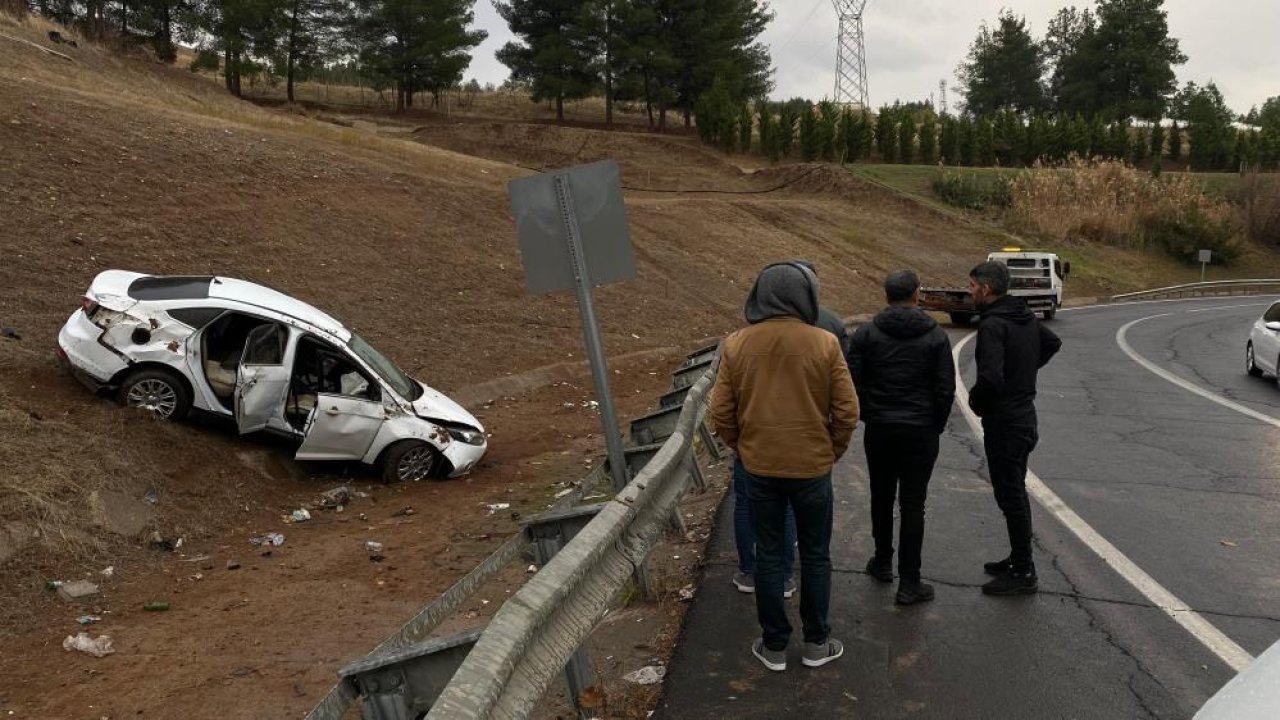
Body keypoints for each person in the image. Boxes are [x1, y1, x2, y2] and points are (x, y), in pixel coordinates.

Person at [711, 262, 859, 672]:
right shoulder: (825, 343)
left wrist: (741, 446)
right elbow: (847, 411)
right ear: (806, 296)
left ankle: (774, 645)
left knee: (770, 555)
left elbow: (721, 411)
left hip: (760, 466)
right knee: (815, 555)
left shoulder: (737, 344)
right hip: (812, 468)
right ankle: (817, 642)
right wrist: (832, 451)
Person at [846, 270, 955, 605]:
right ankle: (910, 581)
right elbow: (944, 388)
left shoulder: (867, 334)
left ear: (886, 295)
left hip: (880, 427)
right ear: (917, 294)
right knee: (913, 503)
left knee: (881, 496)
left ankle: (882, 560)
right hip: (920, 429)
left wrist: (868, 413)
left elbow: (852, 380)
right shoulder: (935, 335)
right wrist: (934, 423)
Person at [967, 261, 1062, 596]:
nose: (971, 292)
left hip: (1006, 421)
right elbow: (1052, 343)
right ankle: (1018, 557)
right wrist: (1024, 370)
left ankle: (1024, 571)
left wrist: (975, 401)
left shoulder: (993, 325)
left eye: (973, 286)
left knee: (1010, 494)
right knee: (1014, 491)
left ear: (987, 289)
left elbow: (990, 378)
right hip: (1024, 415)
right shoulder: (1021, 315)